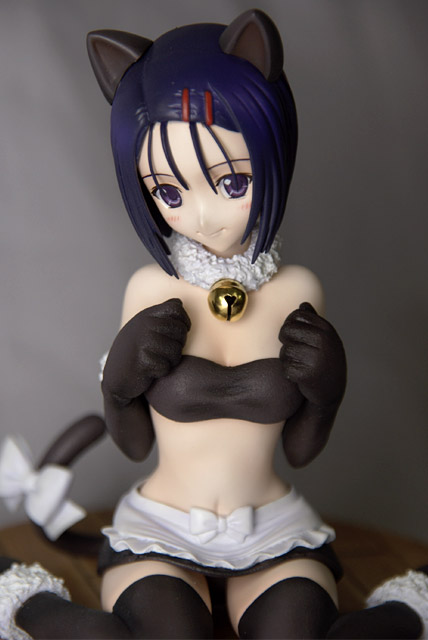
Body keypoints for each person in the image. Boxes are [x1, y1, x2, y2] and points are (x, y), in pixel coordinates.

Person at [0, 9, 427, 639]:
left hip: (271, 525)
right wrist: (119, 383)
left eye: (231, 181)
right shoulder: (151, 290)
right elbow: (135, 445)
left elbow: (301, 450)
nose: (201, 216)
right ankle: (29, 603)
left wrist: (327, 390)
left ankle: (410, 606)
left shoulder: (298, 291)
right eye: (169, 193)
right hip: (162, 526)